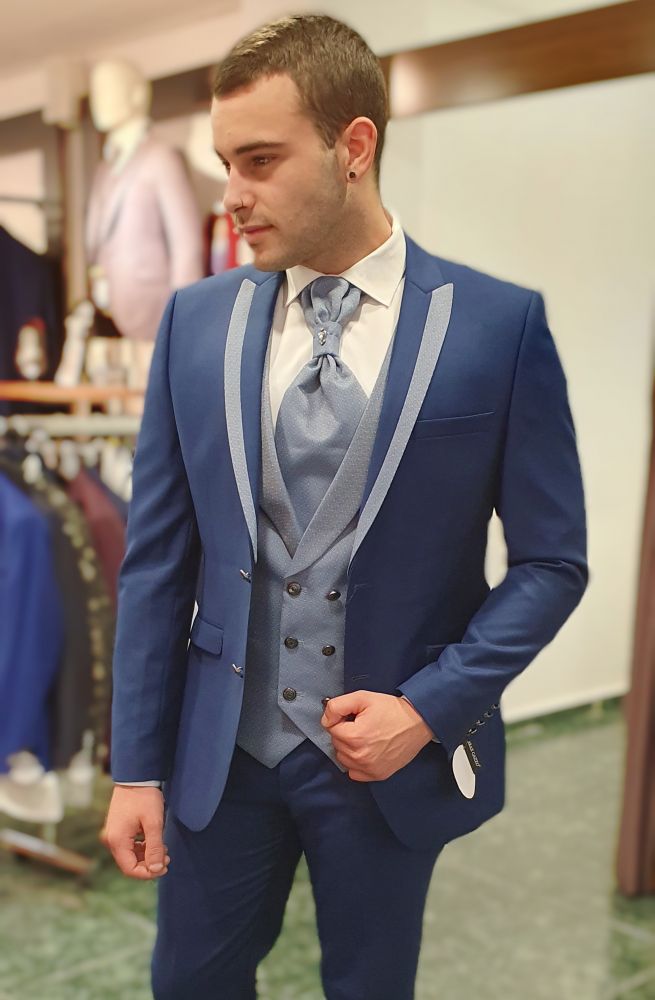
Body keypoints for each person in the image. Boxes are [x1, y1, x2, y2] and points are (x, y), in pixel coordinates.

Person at [103, 13, 588, 1000]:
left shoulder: (495, 326)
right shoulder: (196, 323)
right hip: (221, 753)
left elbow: (551, 562)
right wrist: (134, 767)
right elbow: (154, 563)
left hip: (384, 763)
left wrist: (429, 707)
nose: (232, 196)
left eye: (259, 160)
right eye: (224, 165)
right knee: (188, 984)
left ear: (353, 147)